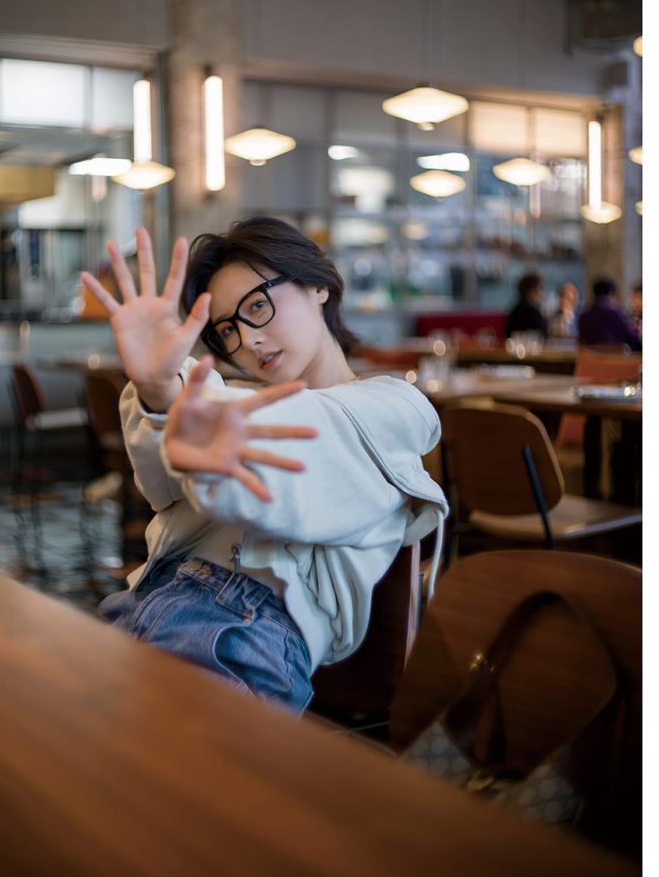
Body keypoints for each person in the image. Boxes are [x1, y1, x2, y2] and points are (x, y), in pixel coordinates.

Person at [81, 218, 447, 713]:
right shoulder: (239, 398)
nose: (247, 341)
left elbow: (309, 438)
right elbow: (168, 476)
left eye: (257, 306)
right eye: (227, 330)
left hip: (239, 631)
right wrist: (160, 390)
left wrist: (195, 414)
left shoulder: (394, 408)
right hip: (143, 602)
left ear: (318, 285)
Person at [578, 277, 642, 352]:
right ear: (611, 293)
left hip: (589, 358)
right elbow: (634, 339)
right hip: (616, 359)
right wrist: (637, 330)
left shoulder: (584, 317)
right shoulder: (616, 314)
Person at [505, 272, 548, 339]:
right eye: (540, 288)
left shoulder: (515, 310)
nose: (542, 292)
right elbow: (544, 334)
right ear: (531, 291)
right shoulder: (532, 313)